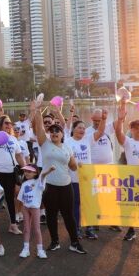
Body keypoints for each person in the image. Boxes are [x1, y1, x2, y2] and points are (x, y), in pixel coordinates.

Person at [30, 100, 86, 254]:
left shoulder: (67, 147)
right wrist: (37, 111)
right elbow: (40, 127)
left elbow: (73, 166)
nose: (54, 132)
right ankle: (55, 241)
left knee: (68, 216)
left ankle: (74, 242)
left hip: (66, 186)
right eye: (52, 131)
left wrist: (78, 165)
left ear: (62, 134)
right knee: (51, 215)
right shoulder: (45, 144)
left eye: (57, 131)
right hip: (50, 186)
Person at [0, 107, 25, 235]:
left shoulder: (13, 139)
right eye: (6, 123)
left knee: (10, 199)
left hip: (10, 173)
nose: (9, 125)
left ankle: (13, 225)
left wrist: (26, 170)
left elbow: (18, 156)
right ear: (0, 124)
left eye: (10, 123)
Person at [113, 101, 139, 241]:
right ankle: (131, 230)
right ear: (131, 130)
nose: (138, 130)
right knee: (131, 206)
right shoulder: (128, 142)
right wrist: (121, 119)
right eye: (135, 128)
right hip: (131, 179)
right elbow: (118, 133)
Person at [17, 165, 54, 258]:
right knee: (26, 229)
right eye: (25, 171)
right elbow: (20, 198)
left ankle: (40, 250)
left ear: (35, 173)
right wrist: (19, 211)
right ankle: (26, 249)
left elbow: (43, 175)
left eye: (29, 171)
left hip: (35, 208)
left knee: (37, 229)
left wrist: (49, 170)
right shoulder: (24, 184)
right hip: (25, 207)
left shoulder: (38, 182)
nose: (26, 173)